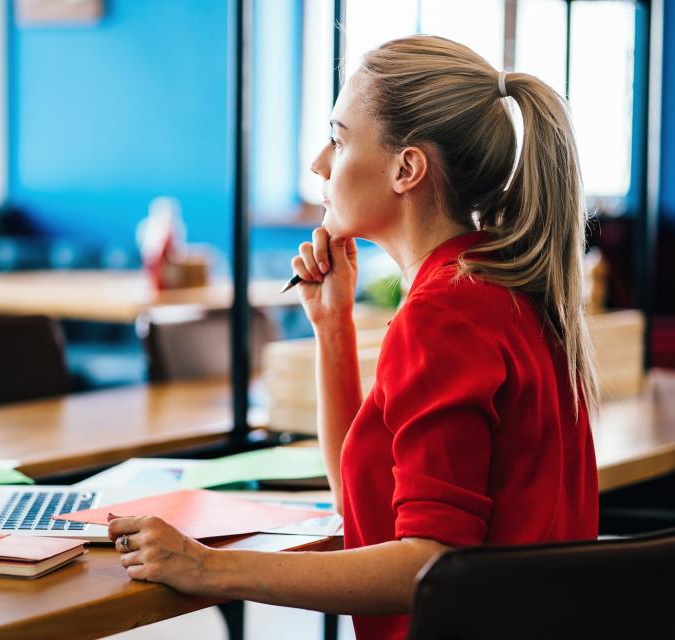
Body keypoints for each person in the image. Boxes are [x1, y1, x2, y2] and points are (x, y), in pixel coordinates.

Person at [107, 35, 599, 639]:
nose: (319, 163)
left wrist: (210, 567)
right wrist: (331, 326)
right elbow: (363, 505)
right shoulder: (496, 287)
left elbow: (430, 562)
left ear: (406, 168)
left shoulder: (446, 315)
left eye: (339, 140)